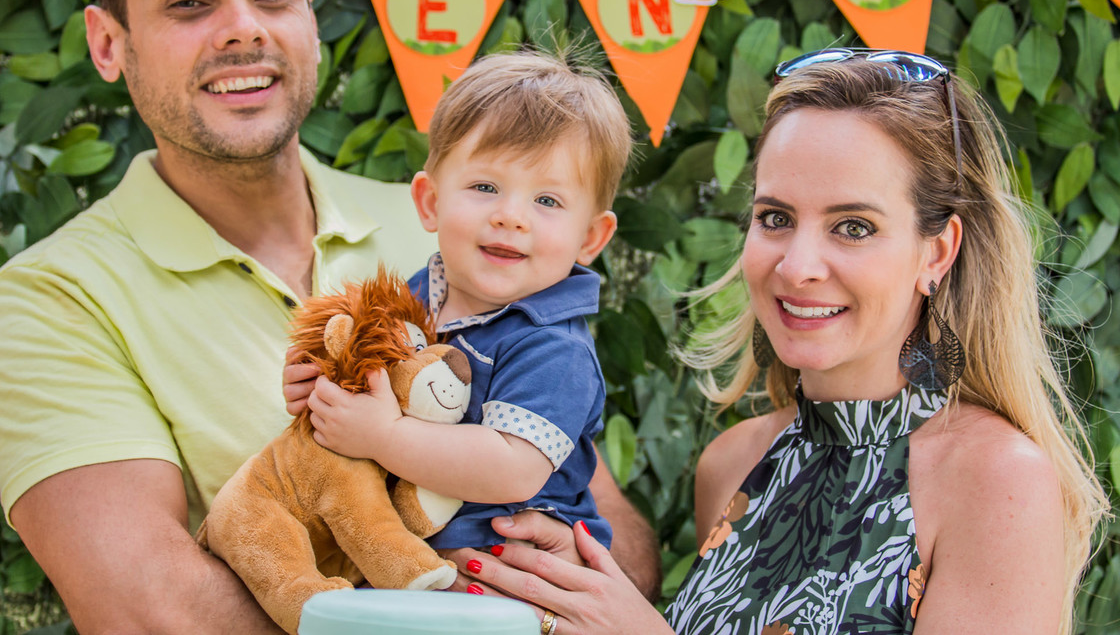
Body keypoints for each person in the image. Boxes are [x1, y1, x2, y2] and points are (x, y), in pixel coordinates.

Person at [0, 0, 656, 633]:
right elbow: (153, 611)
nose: (241, 31)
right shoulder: (53, 298)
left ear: (309, 16)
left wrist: (561, 577)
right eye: (189, 2)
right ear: (107, 42)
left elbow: (609, 522)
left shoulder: (459, 236)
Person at [451, 50, 1109, 635]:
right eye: (776, 217)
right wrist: (578, 583)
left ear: (936, 252)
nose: (797, 266)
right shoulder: (732, 463)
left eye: (853, 226)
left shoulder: (997, 479)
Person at [293, 51, 631, 552]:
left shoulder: (554, 347)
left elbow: (511, 468)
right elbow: (364, 377)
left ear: (591, 237)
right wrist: (319, 391)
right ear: (431, 202)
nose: (511, 216)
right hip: (406, 559)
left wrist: (382, 436)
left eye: (547, 201)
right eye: (485, 186)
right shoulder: (413, 297)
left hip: (506, 574)